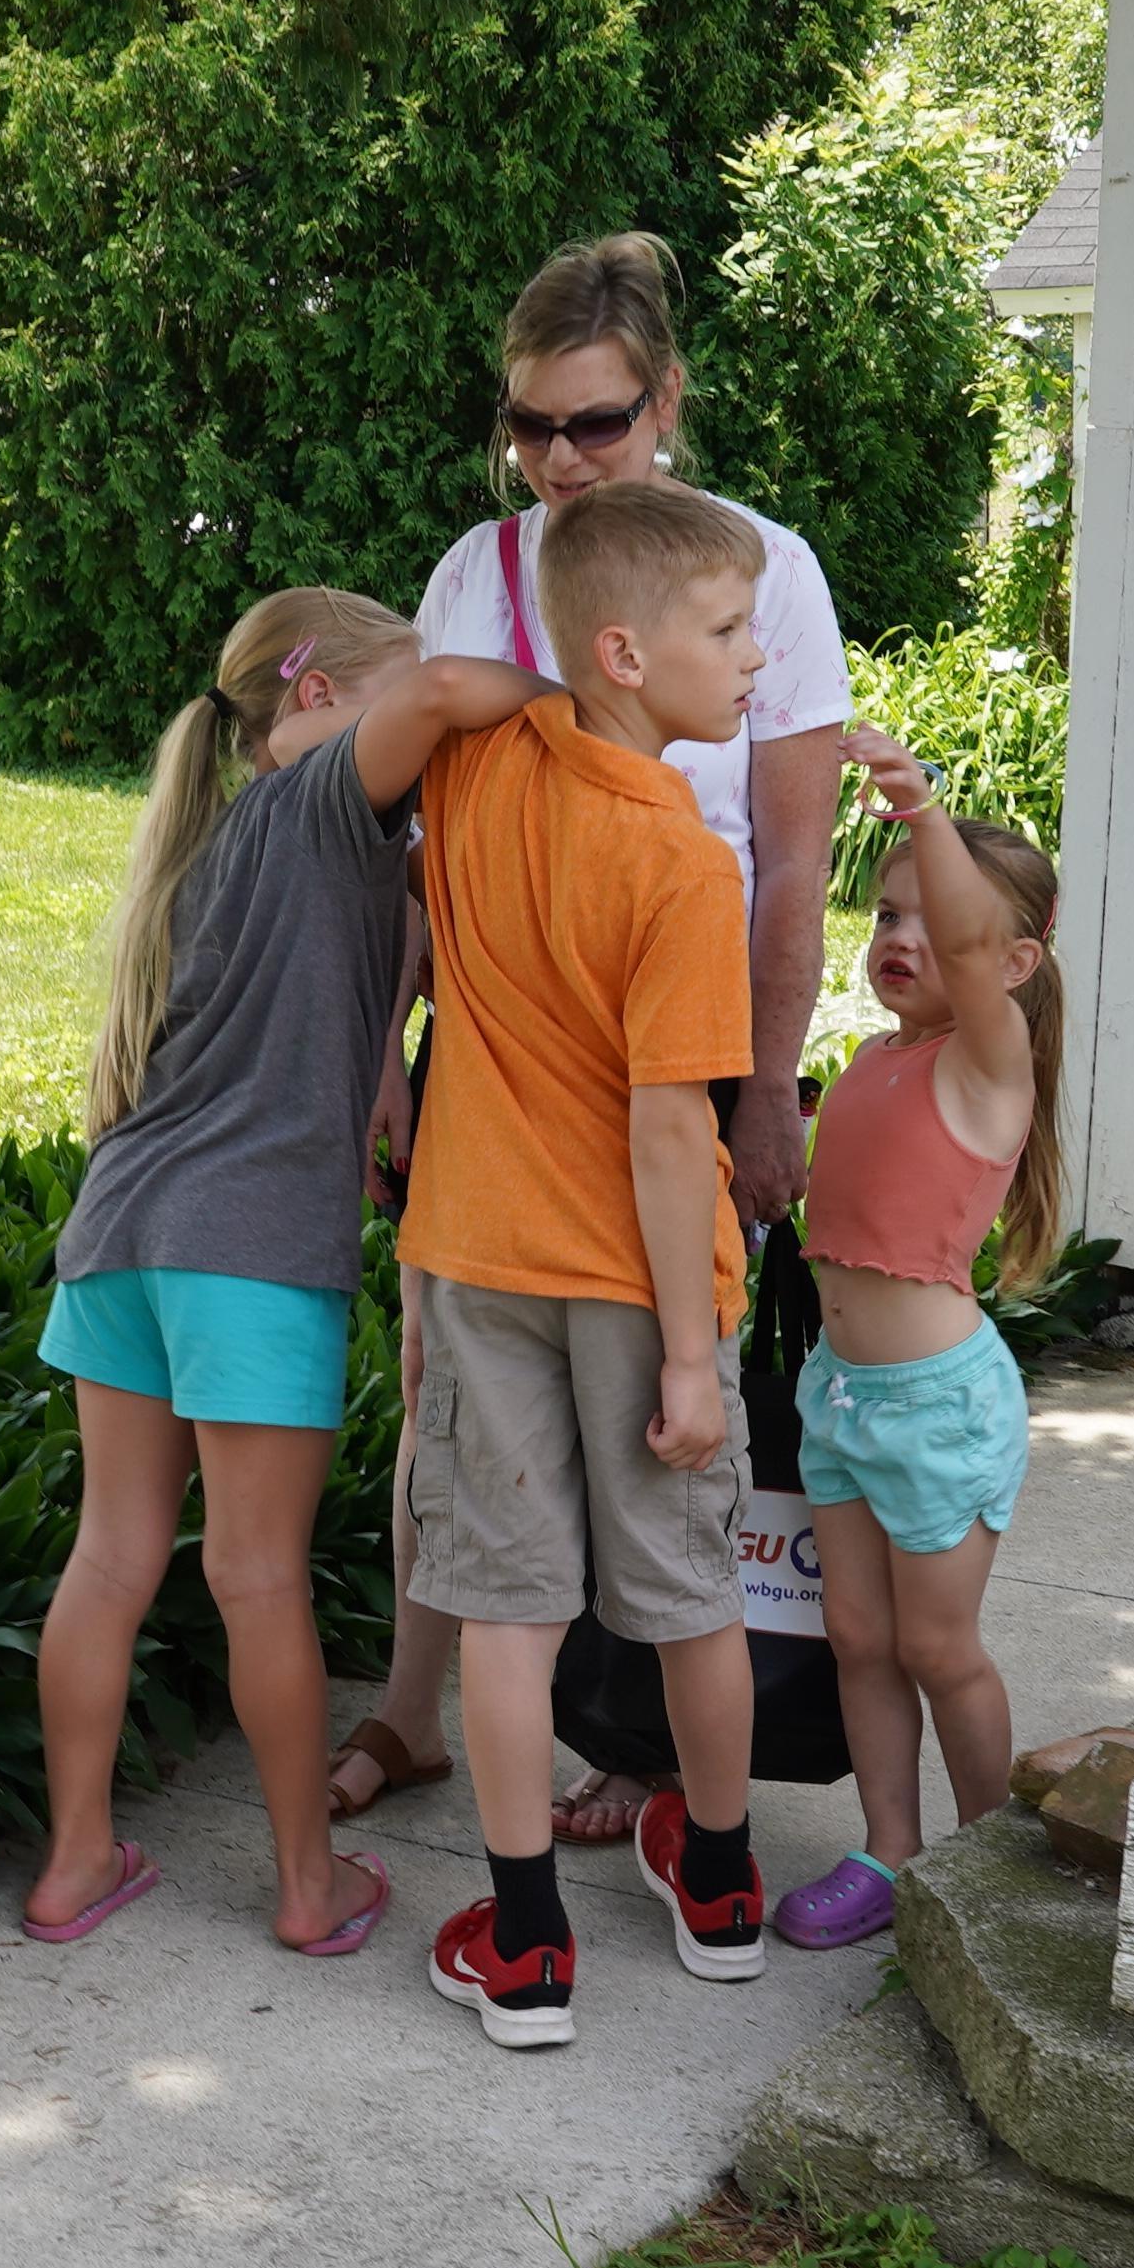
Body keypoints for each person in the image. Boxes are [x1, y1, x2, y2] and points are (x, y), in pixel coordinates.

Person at [338, 234, 853, 1844]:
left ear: (667, 402)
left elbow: (786, 874)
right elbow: (416, 853)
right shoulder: (479, 575)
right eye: (532, 427)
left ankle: (642, 1753)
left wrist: (762, 1099)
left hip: (675, 1072)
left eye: (598, 424)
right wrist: (379, 1064)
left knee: (657, 1417)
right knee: (462, 1405)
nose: (561, 460)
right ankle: (418, 1715)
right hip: (495, 1075)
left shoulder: (752, 574)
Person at [25, 589, 556, 1965]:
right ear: (317, 698)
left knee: (112, 1557)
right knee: (258, 1573)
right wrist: (577, 694)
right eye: (381, 693)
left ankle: (77, 1859)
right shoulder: (325, 797)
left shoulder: (210, 847)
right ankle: (311, 1887)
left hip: (121, 1230)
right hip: (250, 1250)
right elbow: (438, 698)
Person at [406, 479, 782, 2051]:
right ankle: (721, 1881)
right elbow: (663, 1131)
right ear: (625, 652)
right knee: (693, 1596)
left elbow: (428, 689)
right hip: (643, 1294)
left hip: (480, 1261)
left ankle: (530, 1943)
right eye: (728, 626)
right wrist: (694, 1360)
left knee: (509, 1609)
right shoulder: (685, 865)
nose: (759, 654)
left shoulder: (481, 766)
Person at [765, 759, 1067, 1954]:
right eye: (886, 913)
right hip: (840, 1398)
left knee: (939, 1646)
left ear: (1011, 966)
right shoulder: (885, 1057)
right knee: (860, 1638)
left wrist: (920, 809)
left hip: (938, 1406)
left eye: (932, 923)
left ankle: (981, 1861)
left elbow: (965, 920)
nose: (903, 935)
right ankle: (890, 1852)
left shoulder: (986, 1066)